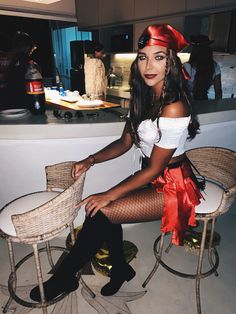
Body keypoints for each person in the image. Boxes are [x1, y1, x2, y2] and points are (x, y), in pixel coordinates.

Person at [30, 24, 203, 302]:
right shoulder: (143, 97)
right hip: (153, 177)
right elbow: (124, 143)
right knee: (103, 209)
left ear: (171, 62)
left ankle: (65, 277)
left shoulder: (174, 106)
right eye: (144, 56)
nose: (149, 65)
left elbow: (156, 168)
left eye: (159, 57)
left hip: (174, 186)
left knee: (101, 209)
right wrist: (91, 159)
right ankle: (120, 268)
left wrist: (108, 193)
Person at [0, 31, 37, 110]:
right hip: (18, 102)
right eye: (30, 50)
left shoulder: (3, 57)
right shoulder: (24, 60)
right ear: (27, 47)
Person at [183, 34, 222, 100]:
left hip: (188, 102)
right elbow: (218, 92)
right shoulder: (215, 67)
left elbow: (181, 89)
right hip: (203, 102)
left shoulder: (187, 67)